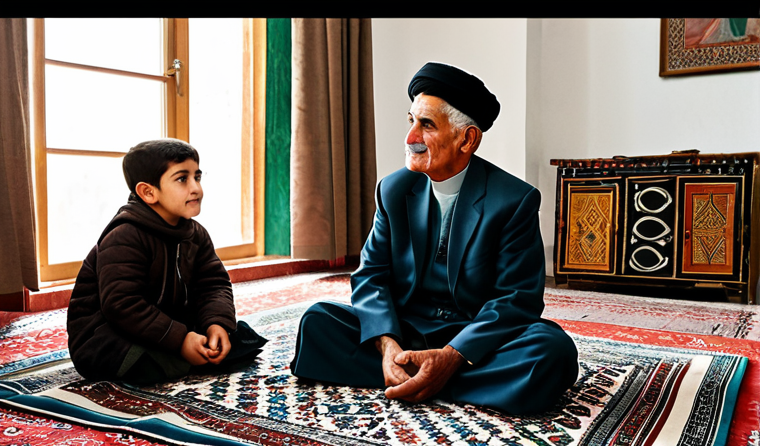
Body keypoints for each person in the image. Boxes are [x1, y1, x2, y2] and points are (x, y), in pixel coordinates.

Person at [290, 62, 578, 414]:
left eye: (426, 125)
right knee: (317, 322)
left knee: (550, 353)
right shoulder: (394, 190)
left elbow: (517, 299)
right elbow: (371, 275)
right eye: (411, 121)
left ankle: (429, 375)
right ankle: (429, 376)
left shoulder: (514, 199)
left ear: (467, 139)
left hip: (474, 336)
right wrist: (388, 345)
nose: (411, 137)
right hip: (407, 328)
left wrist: (452, 357)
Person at [67, 139, 266, 383]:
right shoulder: (124, 236)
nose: (196, 189)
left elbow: (213, 284)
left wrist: (216, 324)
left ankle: (193, 351)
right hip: (110, 334)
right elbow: (122, 304)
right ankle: (183, 356)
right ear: (148, 192)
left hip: (168, 325)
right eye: (182, 179)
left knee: (233, 338)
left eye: (197, 177)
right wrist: (181, 341)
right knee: (141, 364)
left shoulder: (196, 234)